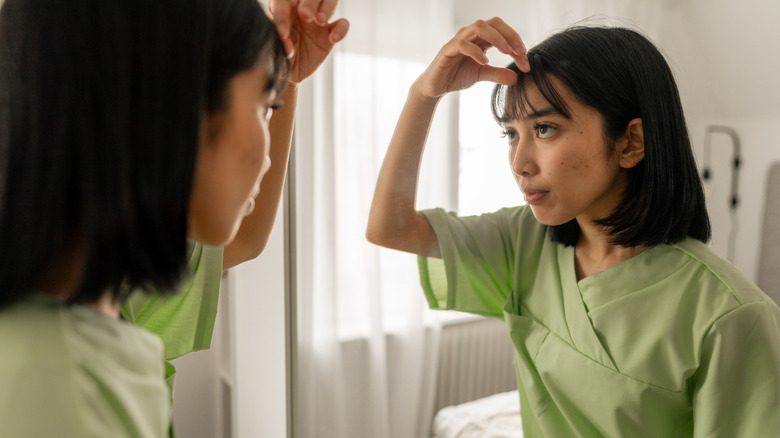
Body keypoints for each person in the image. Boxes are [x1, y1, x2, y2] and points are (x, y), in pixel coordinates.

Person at [367, 18, 780, 437]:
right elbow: (390, 228)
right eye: (511, 134)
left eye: (544, 129)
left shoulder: (730, 316)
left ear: (631, 142)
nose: (519, 163)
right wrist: (423, 94)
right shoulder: (524, 243)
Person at [0, 0, 347, 436]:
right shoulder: (63, 396)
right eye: (264, 107)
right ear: (173, 106)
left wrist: (281, 78)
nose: (265, 158)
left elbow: (243, 241)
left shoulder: (83, 288)